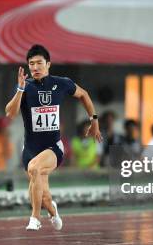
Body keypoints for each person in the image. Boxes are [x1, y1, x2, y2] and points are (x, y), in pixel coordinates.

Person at [5, 44, 102, 231]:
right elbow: (10, 113)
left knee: (34, 168)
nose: (35, 68)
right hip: (31, 150)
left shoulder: (61, 83)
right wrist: (19, 89)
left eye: (39, 63)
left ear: (48, 64)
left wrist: (94, 120)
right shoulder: (25, 87)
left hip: (53, 148)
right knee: (43, 197)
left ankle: (35, 218)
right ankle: (53, 211)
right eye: (31, 64)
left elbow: (84, 95)